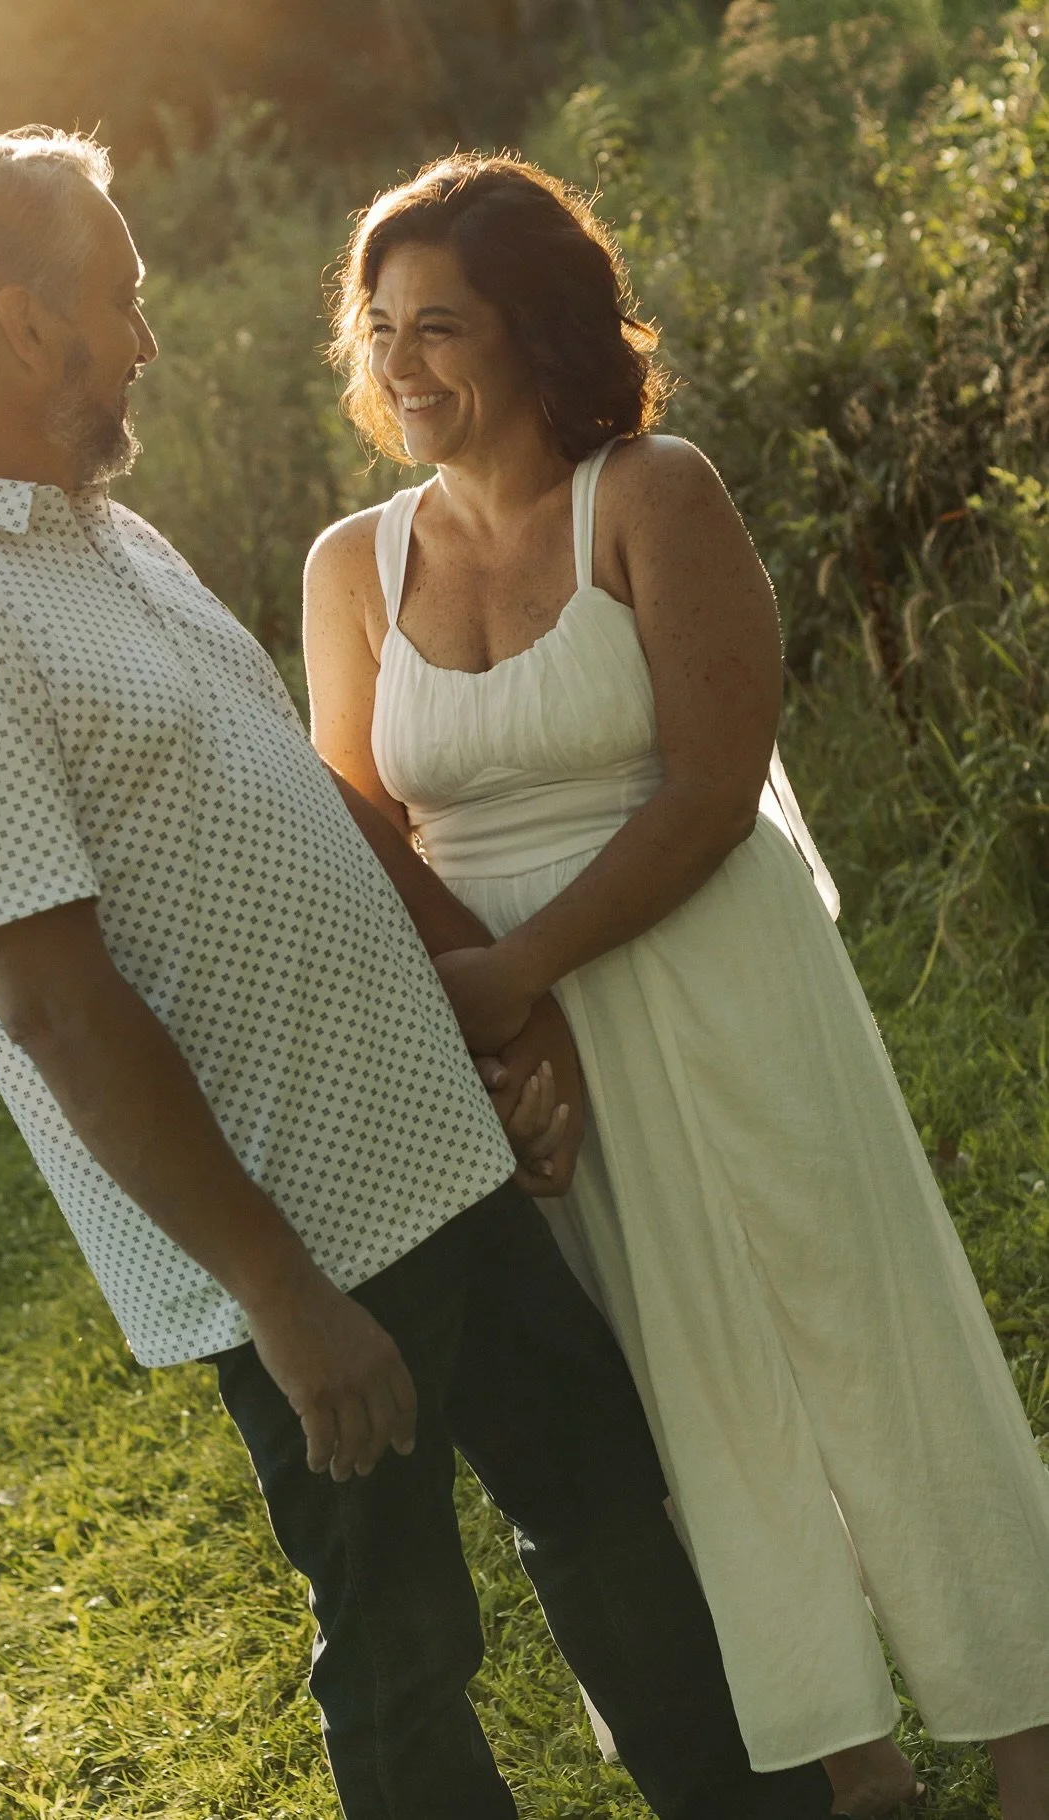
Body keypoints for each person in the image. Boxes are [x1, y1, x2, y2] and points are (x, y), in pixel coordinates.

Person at [0, 130, 838, 1820]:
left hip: (429, 1144)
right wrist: (284, 1299)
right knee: (404, 1655)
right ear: (24, 329)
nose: (145, 338)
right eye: (118, 302)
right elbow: (55, 1003)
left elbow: (312, 805)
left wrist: (489, 994)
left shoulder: (100, 538)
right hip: (291, 1239)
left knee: (605, 1511)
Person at [303, 148, 1049, 1820]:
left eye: (443, 326)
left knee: (862, 1336)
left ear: (539, 333)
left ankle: (1028, 1743)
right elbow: (358, 812)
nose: (403, 365)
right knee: (667, 1399)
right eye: (382, 327)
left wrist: (525, 967)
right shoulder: (352, 568)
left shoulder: (651, 493)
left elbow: (715, 782)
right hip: (524, 1043)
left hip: (708, 972)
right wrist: (481, 1013)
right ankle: (850, 1771)